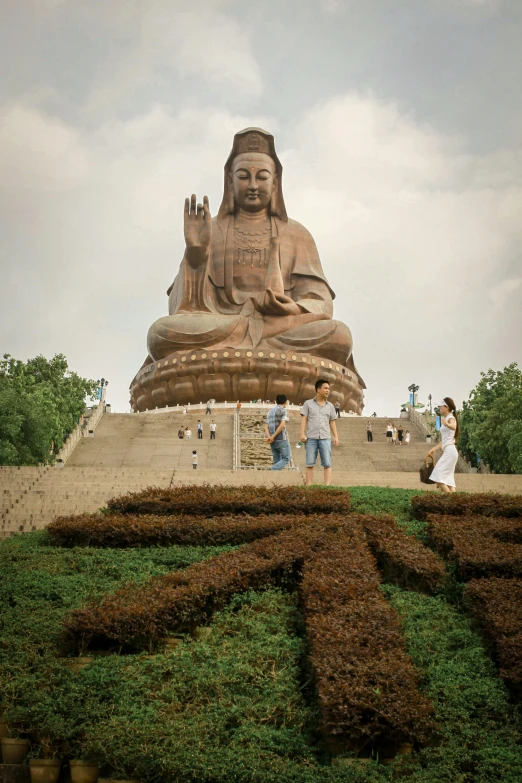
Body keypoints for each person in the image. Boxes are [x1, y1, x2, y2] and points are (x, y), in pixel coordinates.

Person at [300, 379, 339, 487]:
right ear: (318, 389)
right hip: (311, 438)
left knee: (327, 463)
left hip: (325, 438)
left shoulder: (330, 406)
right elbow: (304, 419)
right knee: (309, 463)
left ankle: (327, 486)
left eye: (328, 389)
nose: (328, 391)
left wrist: (336, 436)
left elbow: (332, 422)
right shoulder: (308, 404)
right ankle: (309, 485)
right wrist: (302, 434)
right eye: (325, 388)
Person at [427, 397, 459, 493]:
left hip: (450, 451)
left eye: (440, 406)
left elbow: (453, 427)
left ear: (446, 407)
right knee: (448, 481)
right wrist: (434, 449)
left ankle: (452, 502)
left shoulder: (451, 418)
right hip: (448, 450)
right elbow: (444, 440)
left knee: (437, 475)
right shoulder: (447, 418)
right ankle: (456, 502)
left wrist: (446, 424)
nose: (439, 408)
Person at [265, 394, 291, 470]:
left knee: (277, 462)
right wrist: (273, 437)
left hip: (272, 441)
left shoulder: (269, 412)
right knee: (286, 458)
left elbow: (266, 427)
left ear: (276, 401)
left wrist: (270, 437)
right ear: (285, 402)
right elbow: (282, 425)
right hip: (281, 438)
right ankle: (271, 469)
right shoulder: (284, 410)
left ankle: (274, 478)